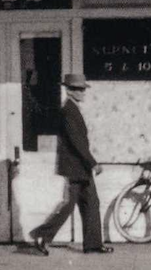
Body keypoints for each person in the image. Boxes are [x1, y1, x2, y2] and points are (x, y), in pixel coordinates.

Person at [31, 73, 113, 256]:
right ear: (68, 90)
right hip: (75, 166)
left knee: (91, 202)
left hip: (79, 166)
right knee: (69, 205)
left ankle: (93, 245)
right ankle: (41, 236)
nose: (82, 92)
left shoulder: (72, 109)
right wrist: (93, 163)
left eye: (83, 88)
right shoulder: (68, 110)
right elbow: (77, 142)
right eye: (77, 89)